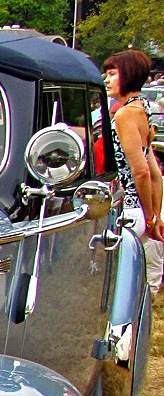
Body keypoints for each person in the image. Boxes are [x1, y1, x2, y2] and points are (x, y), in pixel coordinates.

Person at [104, 49, 164, 294]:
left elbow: (140, 172)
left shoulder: (124, 113)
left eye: (111, 74)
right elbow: (155, 173)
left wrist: (150, 218)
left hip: (128, 209)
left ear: (127, 74)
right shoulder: (143, 108)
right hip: (141, 211)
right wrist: (155, 215)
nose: (106, 80)